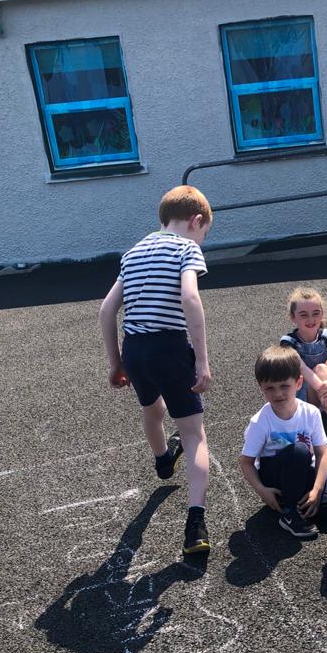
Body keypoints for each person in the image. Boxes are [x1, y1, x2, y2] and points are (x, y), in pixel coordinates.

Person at [99, 185, 213, 556]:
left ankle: (163, 459)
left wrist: (116, 362)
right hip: (169, 347)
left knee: (153, 409)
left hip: (135, 349)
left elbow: (106, 310)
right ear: (196, 221)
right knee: (193, 434)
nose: (201, 239)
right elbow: (190, 298)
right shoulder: (186, 249)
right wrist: (201, 360)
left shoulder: (133, 252)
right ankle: (195, 524)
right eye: (203, 232)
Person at [240, 345, 327, 539]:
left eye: (284, 386)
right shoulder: (260, 421)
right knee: (300, 451)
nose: (278, 394)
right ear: (261, 387)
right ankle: (289, 512)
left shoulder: (311, 413)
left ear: (299, 382)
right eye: (270, 388)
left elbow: (322, 454)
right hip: (274, 476)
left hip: (303, 469)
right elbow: (246, 462)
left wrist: (317, 490)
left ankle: (295, 502)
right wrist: (262, 490)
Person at [280, 287, 327, 442]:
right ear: (293, 317)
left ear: (322, 314)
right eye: (304, 315)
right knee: (321, 368)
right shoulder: (289, 342)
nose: (311, 319)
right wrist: (324, 388)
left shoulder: (326, 335)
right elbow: (302, 368)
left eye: (315, 313)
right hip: (308, 398)